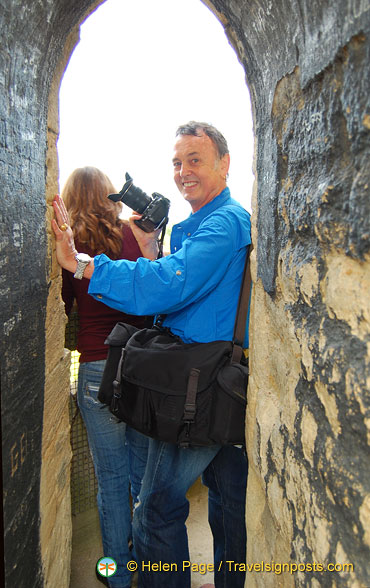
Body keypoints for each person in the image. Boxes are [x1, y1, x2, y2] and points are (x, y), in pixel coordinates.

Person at [52, 123, 251, 588]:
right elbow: (174, 283)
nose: (183, 172)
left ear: (225, 163)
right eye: (177, 162)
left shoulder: (222, 223)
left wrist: (81, 264)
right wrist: (148, 248)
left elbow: (170, 285)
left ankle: (124, 575)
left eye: (195, 160)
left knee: (155, 512)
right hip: (207, 377)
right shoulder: (203, 223)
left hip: (200, 385)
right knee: (224, 500)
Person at [59, 167, 149, 588]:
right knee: (143, 470)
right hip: (140, 365)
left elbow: (63, 307)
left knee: (110, 477)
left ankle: (116, 572)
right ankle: (151, 561)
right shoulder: (131, 235)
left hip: (97, 366)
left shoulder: (70, 246)